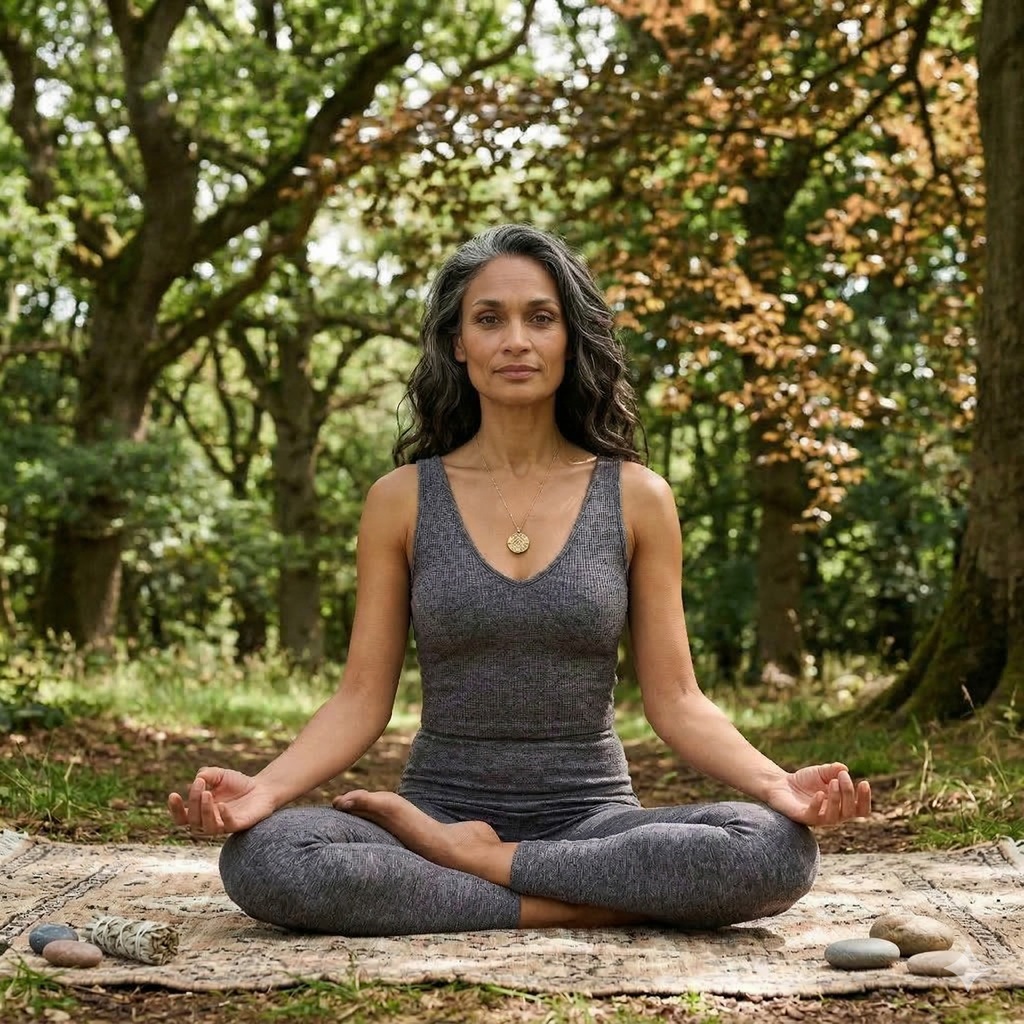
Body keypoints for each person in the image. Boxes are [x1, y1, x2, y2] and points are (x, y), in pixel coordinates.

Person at [168, 223, 871, 937]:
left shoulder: (638, 497)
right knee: (269, 856)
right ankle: (574, 901)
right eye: (488, 319)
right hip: (433, 815)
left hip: (592, 821)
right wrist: (266, 790)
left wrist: (777, 784)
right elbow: (360, 698)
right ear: (457, 343)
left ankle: (483, 867)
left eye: (540, 318)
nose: (515, 340)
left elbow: (678, 700)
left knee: (773, 848)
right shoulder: (400, 500)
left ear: (570, 338)